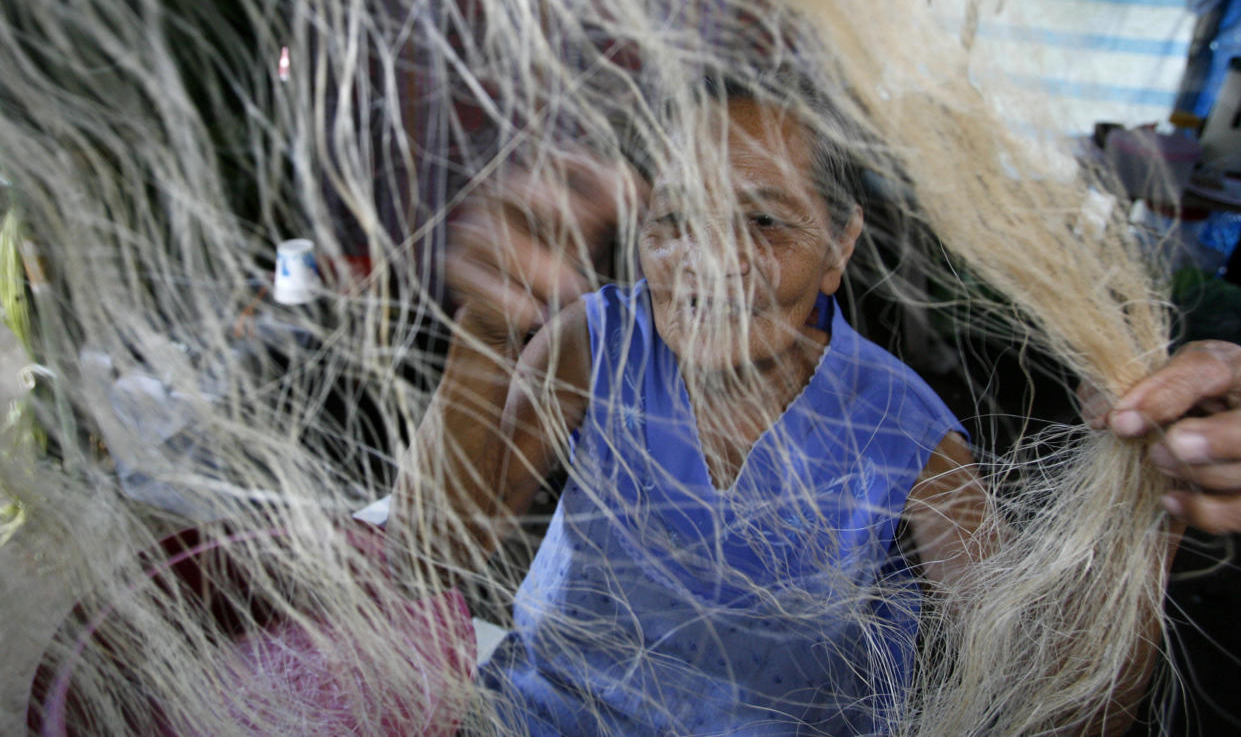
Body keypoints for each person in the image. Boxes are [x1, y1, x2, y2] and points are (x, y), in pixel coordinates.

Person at [388, 87, 1241, 734]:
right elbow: (432, 552)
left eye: (761, 219)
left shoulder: (902, 428)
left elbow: (1053, 703)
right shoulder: (595, 339)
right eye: (674, 219)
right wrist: (487, 329)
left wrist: (1146, 502)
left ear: (839, 247)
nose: (707, 264)